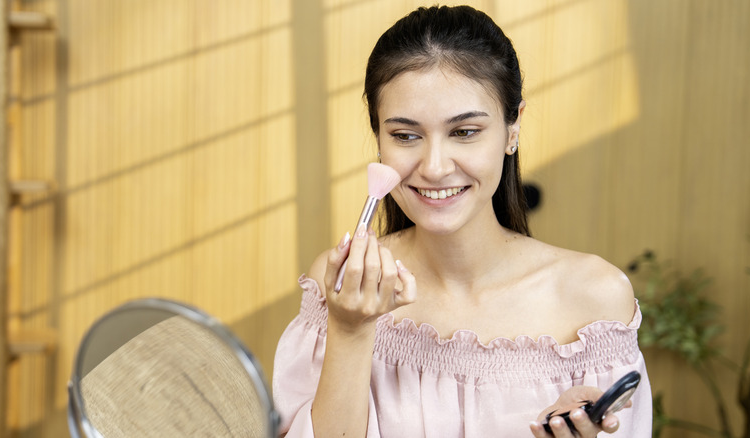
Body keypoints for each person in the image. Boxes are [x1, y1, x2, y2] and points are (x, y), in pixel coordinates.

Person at [273, 5, 651, 437]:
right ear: (378, 137)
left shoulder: (594, 301)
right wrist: (350, 331)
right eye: (405, 136)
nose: (433, 167)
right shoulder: (342, 289)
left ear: (513, 130)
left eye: (465, 132)